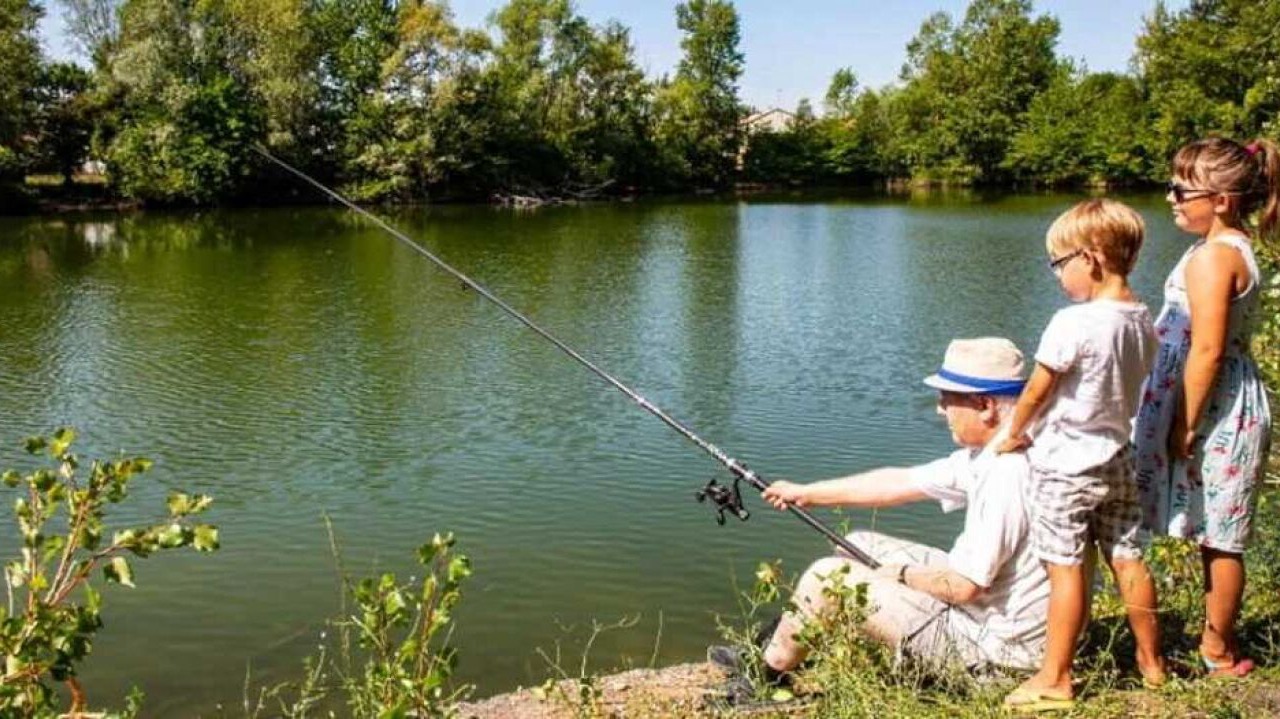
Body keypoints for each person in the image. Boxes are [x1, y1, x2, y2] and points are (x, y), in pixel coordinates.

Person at [717, 338, 1050, 695]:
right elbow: (900, 482)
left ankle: (765, 677)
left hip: (995, 662)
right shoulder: (1002, 449)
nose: (940, 410)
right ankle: (781, 642)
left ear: (984, 405)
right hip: (989, 619)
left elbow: (965, 587)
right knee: (855, 545)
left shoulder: (1008, 473)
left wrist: (903, 576)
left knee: (829, 575)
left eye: (947, 399)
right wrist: (806, 493)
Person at [996, 199, 1166, 709]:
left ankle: (1056, 677)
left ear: (1089, 258)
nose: (1057, 276)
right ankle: (1152, 664)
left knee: (1065, 568)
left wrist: (1013, 433)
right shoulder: (1142, 319)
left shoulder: (1073, 323)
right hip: (1117, 456)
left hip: (1065, 465)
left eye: (1059, 263)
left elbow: (1036, 391)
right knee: (1128, 557)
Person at [1134, 137, 1278, 677]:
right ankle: (1211, 640)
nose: (1170, 198)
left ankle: (1217, 649)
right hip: (1210, 401)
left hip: (1212, 407)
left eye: (1180, 189)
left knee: (1222, 533)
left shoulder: (1216, 257)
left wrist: (1184, 424)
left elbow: (1209, 348)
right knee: (1215, 526)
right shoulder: (1219, 247)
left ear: (1220, 199)